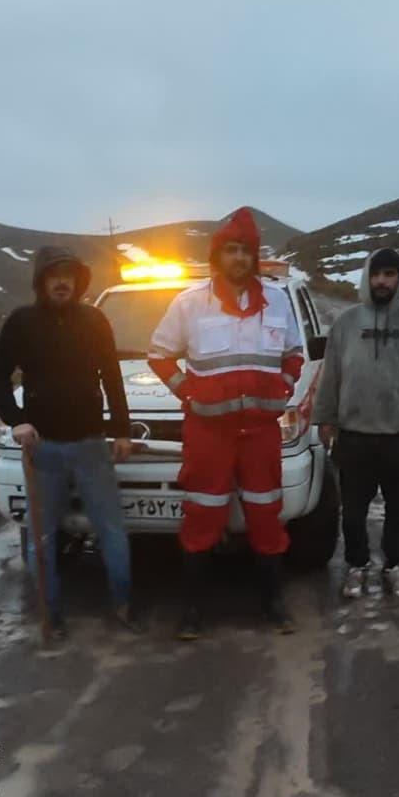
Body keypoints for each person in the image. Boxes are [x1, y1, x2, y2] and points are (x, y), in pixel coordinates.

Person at [148, 209, 305, 640]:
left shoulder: (277, 301)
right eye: (231, 250)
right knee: (201, 517)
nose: (238, 258)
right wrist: (188, 392)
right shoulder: (189, 302)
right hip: (208, 433)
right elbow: (159, 355)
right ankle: (194, 610)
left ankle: (273, 604)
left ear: (254, 258)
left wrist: (285, 386)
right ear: (217, 256)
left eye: (245, 251)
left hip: (260, 433)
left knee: (266, 516)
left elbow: (294, 353)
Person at [0, 246, 140, 634]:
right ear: (41, 281)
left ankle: (123, 604)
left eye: (69, 276)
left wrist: (121, 428)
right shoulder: (21, 323)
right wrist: (16, 421)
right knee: (44, 537)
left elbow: (112, 377)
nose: (62, 282)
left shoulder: (94, 320)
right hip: (44, 448)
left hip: (91, 444)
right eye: (54, 275)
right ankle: (50, 614)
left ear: (78, 281)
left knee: (111, 529)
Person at [312, 249, 399, 601]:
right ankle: (357, 566)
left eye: (390, 274)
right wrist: (325, 418)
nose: (383, 281)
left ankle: (392, 566)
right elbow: (331, 375)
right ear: (367, 277)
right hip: (355, 435)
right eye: (377, 274)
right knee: (353, 511)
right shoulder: (346, 323)